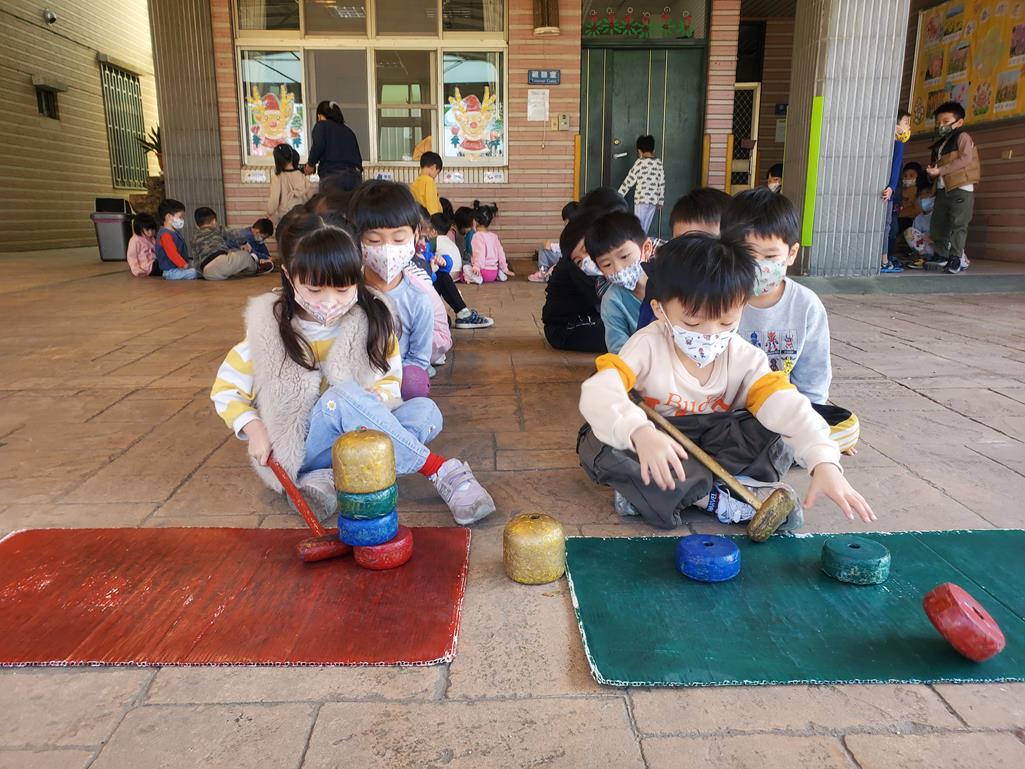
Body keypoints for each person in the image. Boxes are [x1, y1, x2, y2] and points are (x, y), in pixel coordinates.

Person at [209, 212, 495, 525]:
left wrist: (377, 398)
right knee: (341, 398)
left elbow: (390, 379)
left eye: (343, 289)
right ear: (289, 276)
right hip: (302, 447)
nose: (330, 301)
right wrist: (254, 429)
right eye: (315, 289)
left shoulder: (372, 321)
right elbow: (226, 390)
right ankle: (439, 469)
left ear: (357, 274)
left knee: (426, 411)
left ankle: (331, 478)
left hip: (355, 433)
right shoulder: (269, 330)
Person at [576, 234, 876, 532]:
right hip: (659, 440)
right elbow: (600, 391)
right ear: (659, 310)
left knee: (776, 433)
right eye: (692, 323)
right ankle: (715, 498)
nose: (709, 335)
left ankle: (654, 493)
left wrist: (824, 462)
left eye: (726, 322)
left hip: (718, 439)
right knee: (597, 443)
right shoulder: (646, 345)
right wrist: (639, 432)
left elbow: (788, 405)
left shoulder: (745, 356)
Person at [348, 181, 435, 400]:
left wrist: (387, 386)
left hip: (394, 384)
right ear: (358, 240)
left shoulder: (418, 300)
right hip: (352, 380)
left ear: (416, 235)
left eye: (398, 239)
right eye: (374, 240)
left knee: (416, 385)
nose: (387, 250)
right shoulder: (345, 291)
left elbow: (419, 359)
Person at [541, 209, 607, 353]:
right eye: (579, 259)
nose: (586, 258)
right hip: (565, 330)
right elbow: (600, 298)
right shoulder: (574, 267)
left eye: (587, 249)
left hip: (587, 319)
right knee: (619, 333)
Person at [587, 211, 653, 354]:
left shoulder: (670, 285)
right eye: (606, 265)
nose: (618, 268)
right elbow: (618, 349)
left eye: (624, 256)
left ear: (646, 249)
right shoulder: (612, 301)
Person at [926, 101, 980, 274]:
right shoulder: (942, 142)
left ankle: (956, 258)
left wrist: (940, 170)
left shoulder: (963, 137)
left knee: (958, 225)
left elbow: (966, 159)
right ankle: (941, 255)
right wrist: (932, 172)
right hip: (943, 188)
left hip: (961, 188)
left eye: (945, 121)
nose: (941, 126)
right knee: (939, 223)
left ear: (959, 122)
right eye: (938, 122)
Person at [423, 213, 493, 329]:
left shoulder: (425, 245)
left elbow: (431, 261)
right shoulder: (415, 248)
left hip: (436, 282)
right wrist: (432, 272)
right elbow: (421, 279)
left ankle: (462, 313)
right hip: (420, 294)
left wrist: (442, 261)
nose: (424, 240)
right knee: (444, 321)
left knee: (442, 275)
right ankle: (459, 314)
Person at [190, 207, 273, 280]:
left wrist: (202, 275)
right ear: (214, 221)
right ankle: (257, 268)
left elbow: (196, 260)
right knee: (245, 256)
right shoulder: (218, 229)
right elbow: (236, 235)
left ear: (197, 224)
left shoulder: (193, 238)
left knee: (230, 263)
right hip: (223, 263)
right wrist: (244, 242)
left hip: (208, 273)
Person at [305, 101, 363, 192]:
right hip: (353, 178)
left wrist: (310, 165)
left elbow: (318, 146)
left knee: (332, 201)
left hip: (332, 177)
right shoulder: (349, 131)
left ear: (319, 116)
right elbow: (358, 159)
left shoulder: (322, 126)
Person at [880, 110, 912, 273]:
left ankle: (884, 259)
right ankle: (884, 261)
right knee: (887, 227)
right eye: (906, 123)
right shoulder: (898, 144)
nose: (908, 127)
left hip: (888, 191)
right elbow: (896, 167)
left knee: (886, 227)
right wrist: (892, 187)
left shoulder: (883, 143)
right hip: (889, 192)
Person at [617, 135, 665, 234]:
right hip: (653, 200)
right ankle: (642, 240)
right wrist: (660, 200)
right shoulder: (658, 163)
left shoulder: (639, 163)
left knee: (638, 225)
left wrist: (618, 196)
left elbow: (629, 180)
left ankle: (638, 241)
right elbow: (661, 183)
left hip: (641, 199)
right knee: (646, 226)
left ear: (639, 151)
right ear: (653, 150)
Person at [529, 201, 578, 283]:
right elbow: (563, 246)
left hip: (570, 260)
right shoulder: (570, 231)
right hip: (564, 257)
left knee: (547, 250)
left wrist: (552, 247)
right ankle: (543, 272)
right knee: (543, 248)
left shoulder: (579, 232)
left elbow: (568, 249)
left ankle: (547, 274)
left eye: (566, 220)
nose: (565, 223)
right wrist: (552, 246)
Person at [465, 202, 513, 284]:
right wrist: (505, 268)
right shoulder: (494, 236)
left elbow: (479, 253)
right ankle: (500, 273)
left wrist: (477, 267)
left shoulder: (477, 236)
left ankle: (477, 278)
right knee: (495, 267)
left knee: (465, 267)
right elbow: (501, 253)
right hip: (493, 272)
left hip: (482, 272)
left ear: (476, 221)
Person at [267, 144, 316, 224]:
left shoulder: (278, 178)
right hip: (302, 217)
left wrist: (269, 212)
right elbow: (310, 197)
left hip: (286, 218)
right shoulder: (301, 175)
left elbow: (274, 202)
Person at [154, 199, 200, 281]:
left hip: (179, 267)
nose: (182, 220)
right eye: (180, 217)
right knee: (195, 272)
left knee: (198, 265)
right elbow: (172, 253)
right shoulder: (165, 235)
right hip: (171, 272)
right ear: (168, 216)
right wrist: (184, 265)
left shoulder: (173, 232)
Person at [127, 213, 160, 277]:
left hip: (154, 263)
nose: (151, 232)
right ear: (139, 229)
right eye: (147, 230)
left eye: (153, 229)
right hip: (146, 268)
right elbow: (132, 257)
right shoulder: (135, 240)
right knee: (163, 267)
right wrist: (137, 271)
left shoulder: (152, 238)